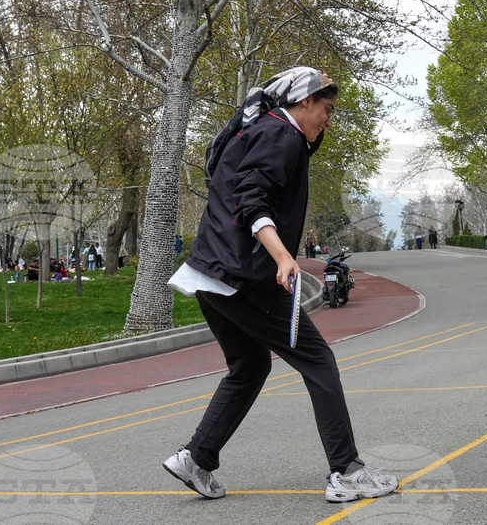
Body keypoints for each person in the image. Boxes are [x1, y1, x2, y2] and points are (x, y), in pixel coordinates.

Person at [164, 66, 397, 503]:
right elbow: (252, 201)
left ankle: (197, 458)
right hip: (243, 279)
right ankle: (346, 470)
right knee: (320, 362)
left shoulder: (259, 132)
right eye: (326, 109)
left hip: (210, 273)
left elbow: (241, 186)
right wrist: (283, 255)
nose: (329, 119)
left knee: (251, 366)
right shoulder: (281, 134)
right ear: (303, 101)